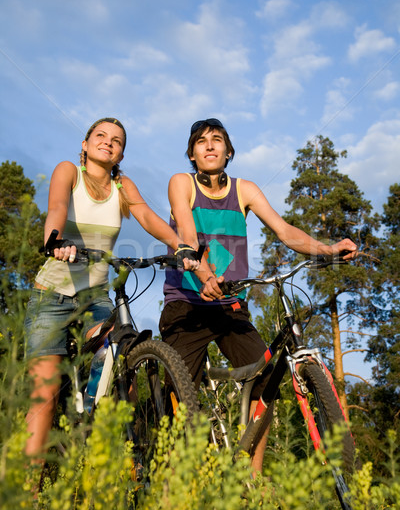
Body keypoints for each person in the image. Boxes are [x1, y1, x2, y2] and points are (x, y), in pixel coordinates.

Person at [159, 117, 358, 474]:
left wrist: (327, 250)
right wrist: (201, 270)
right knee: (176, 395)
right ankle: (165, 476)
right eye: (201, 141)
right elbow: (186, 231)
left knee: (265, 380)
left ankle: (251, 481)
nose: (209, 145)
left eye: (217, 140)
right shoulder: (182, 183)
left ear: (228, 151)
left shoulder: (245, 190)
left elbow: (284, 231)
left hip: (229, 305)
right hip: (187, 304)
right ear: (191, 154)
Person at [25, 117, 198, 471]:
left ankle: (128, 461)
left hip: (96, 297)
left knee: (123, 357)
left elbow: (146, 216)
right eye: (100, 136)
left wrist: (179, 245)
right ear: (86, 144)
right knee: (42, 394)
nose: (108, 142)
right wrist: (54, 238)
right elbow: (57, 206)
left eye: (116, 140)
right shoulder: (68, 172)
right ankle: (27, 491)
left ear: (120, 153)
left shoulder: (123, 186)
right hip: (52, 297)